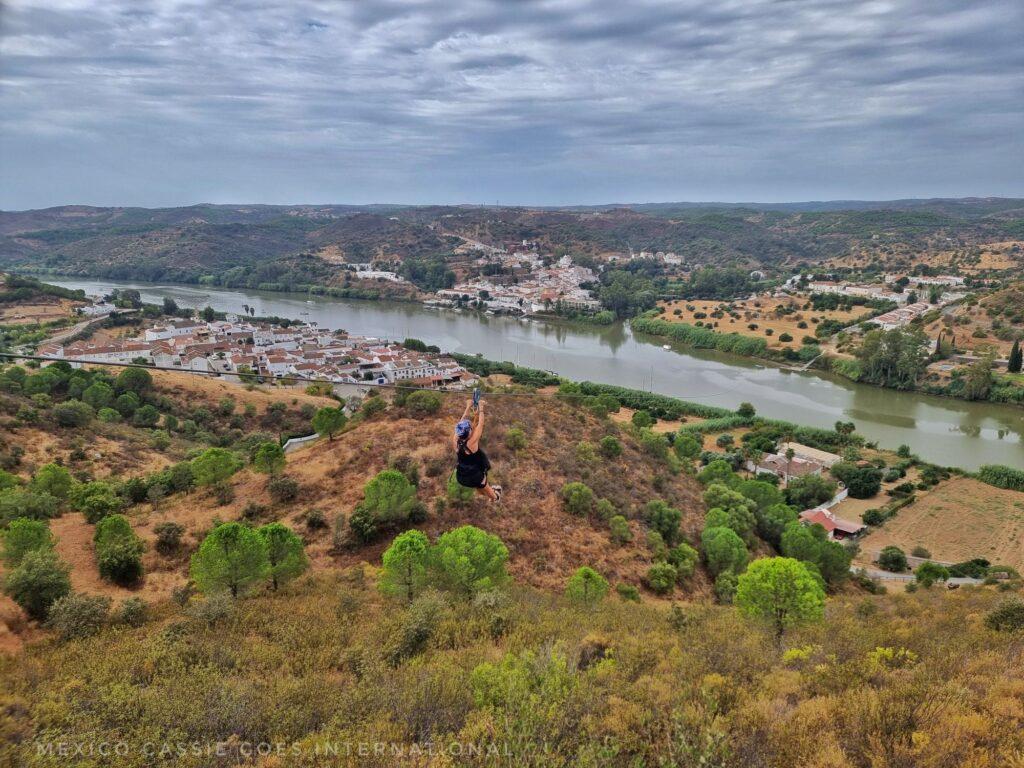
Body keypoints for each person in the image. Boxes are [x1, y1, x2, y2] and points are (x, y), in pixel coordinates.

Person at [453, 398, 502, 502]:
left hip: (461, 476)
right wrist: (481, 408)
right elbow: (480, 425)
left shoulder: (456, 440)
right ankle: (496, 497)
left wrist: (468, 407)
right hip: (474, 475)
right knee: (485, 486)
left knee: (478, 487)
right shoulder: (471, 443)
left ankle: (489, 494)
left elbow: (460, 424)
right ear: (469, 433)